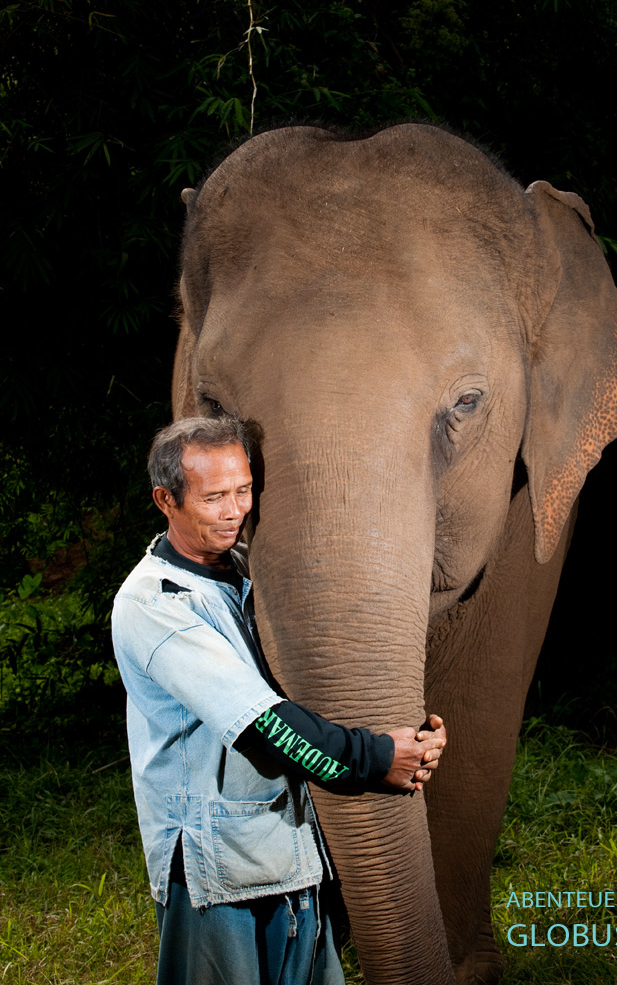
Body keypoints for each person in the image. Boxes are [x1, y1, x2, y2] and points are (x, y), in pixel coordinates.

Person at [112, 415, 447, 985]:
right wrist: (374, 759)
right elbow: (263, 727)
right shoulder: (156, 603)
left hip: (291, 856)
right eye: (214, 496)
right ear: (165, 499)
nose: (234, 510)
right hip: (215, 875)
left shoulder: (245, 572)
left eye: (243, 491)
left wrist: (406, 740)